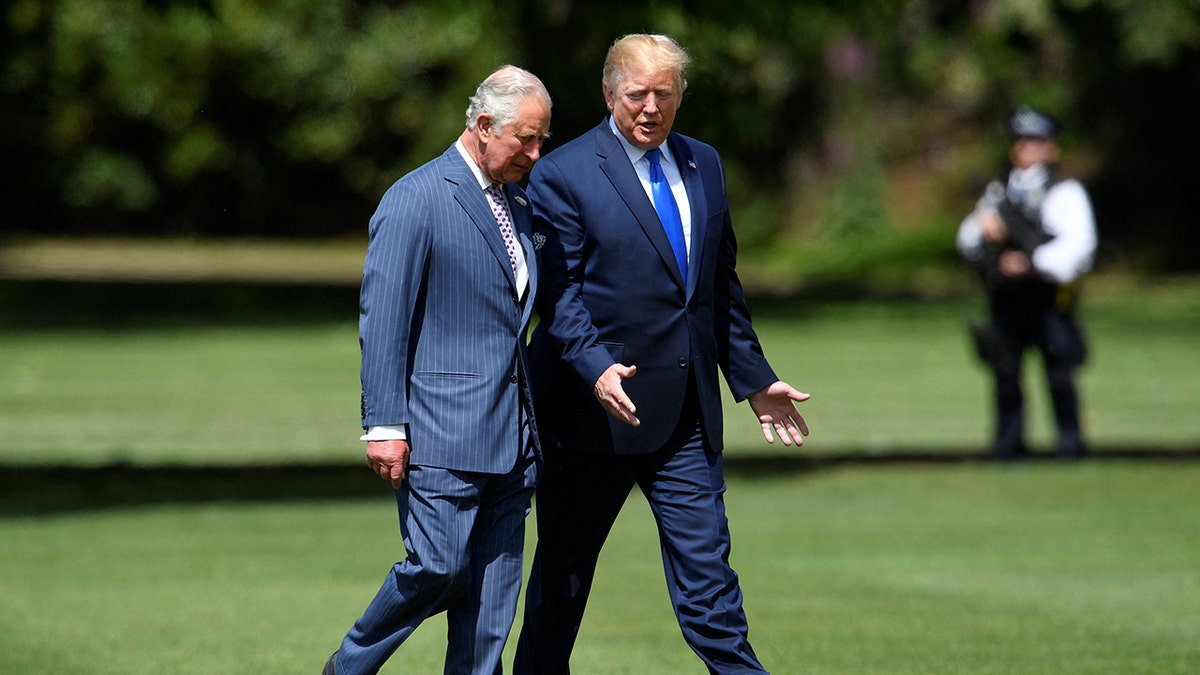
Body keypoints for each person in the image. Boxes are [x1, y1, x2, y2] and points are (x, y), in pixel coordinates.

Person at [514, 34, 810, 674]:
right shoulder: (561, 173)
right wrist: (596, 369)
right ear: (608, 92)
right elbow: (558, 297)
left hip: (684, 419)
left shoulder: (704, 162)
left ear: (680, 95)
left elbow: (715, 288)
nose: (650, 107)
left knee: (710, 585)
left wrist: (754, 379)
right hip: (593, 417)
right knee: (562, 581)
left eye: (664, 93)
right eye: (636, 94)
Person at [322, 65, 551, 675]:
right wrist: (382, 425)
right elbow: (384, 318)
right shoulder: (416, 196)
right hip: (439, 434)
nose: (534, 153)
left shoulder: (521, 204)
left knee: (494, 603)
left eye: (540, 141)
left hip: (514, 438)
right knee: (438, 566)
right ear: (482, 126)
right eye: (523, 140)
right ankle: (346, 669)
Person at [957, 105, 1097, 460]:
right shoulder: (999, 191)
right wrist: (986, 234)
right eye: (1020, 141)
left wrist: (1031, 262)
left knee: (1059, 374)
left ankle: (1069, 444)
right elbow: (968, 238)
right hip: (1007, 299)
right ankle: (1008, 445)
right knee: (1005, 375)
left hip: (1048, 298)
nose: (1025, 149)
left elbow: (1078, 248)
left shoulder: (1064, 192)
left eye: (1034, 141)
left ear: (1051, 148)